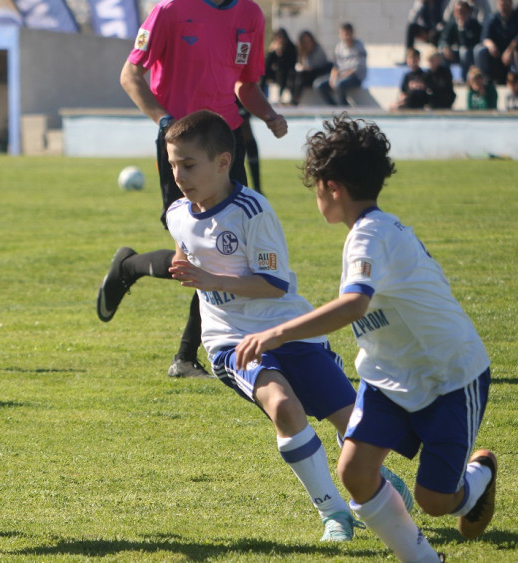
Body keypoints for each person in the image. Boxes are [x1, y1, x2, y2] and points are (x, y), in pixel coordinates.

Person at [234, 114, 498, 563]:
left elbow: (355, 304)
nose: (315, 195)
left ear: (331, 187)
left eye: (316, 186)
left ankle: (478, 477)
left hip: (448, 376)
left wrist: (276, 333)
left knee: (436, 501)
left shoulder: (370, 235)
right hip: (388, 376)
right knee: (355, 472)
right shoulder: (368, 231)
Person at [163, 109, 412, 543]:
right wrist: (185, 266)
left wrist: (211, 279)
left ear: (223, 161)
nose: (179, 174)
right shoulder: (177, 214)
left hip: (290, 329)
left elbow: (275, 285)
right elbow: (189, 254)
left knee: (356, 426)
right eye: (172, 165)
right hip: (230, 341)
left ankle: (375, 476)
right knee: (282, 406)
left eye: (189, 164)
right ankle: (335, 513)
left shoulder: (252, 210)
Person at [98, 0, 288, 379]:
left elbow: (245, 85)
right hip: (183, 145)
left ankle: (188, 355)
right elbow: (130, 75)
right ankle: (132, 270)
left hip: (226, 140)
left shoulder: (250, 14)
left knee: (229, 250)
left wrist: (268, 115)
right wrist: (166, 122)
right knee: (201, 251)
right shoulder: (170, 10)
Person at [475, 0, 518, 84]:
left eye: (506, 4)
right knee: (480, 50)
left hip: (514, 53)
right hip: (497, 53)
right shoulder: (492, 19)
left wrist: (510, 50)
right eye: (501, 4)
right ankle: (485, 82)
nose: (504, 7)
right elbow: (485, 38)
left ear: (511, 4)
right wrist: (491, 45)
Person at [314, 22, 368, 107]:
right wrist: (332, 78)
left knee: (339, 85)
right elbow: (335, 66)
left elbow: (355, 69)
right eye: (344, 34)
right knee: (319, 85)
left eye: (348, 34)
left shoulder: (359, 46)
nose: (346, 36)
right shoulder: (339, 47)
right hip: (340, 77)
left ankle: (344, 109)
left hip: (355, 77)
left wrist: (340, 78)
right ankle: (333, 107)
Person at [440, 0, 484, 80]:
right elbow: (444, 38)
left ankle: (465, 78)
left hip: (470, 52)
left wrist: (462, 29)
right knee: (442, 52)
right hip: (456, 52)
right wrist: (446, 47)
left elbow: (467, 42)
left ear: (468, 12)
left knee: (464, 51)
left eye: (462, 11)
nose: (460, 14)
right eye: (458, 11)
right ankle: (446, 79)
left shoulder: (474, 24)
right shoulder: (452, 24)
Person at [292, 30, 332, 105]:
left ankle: (295, 100)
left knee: (301, 77)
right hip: (308, 73)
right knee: (295, 76)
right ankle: (293, 98)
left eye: (308, 41)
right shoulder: (302, 52)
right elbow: (299, 64)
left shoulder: (318, 50)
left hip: (320, 72)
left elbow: (316, 66)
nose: (307, 44)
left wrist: (306, 68)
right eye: (305, 42)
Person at [263, 28, 298, 104]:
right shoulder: (274, 48)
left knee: (283, 72)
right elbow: (268, 63)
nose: (280, 39)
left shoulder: (291, 47)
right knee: (263, 73)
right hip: (276, 72)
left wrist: (281, 55)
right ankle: (262, 97)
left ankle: (284, 97)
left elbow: (291, 62)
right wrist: (273, 51)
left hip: (287, 71)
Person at [404, 0, 445, 64]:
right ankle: (408, 56)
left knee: (437, 33)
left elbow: (446, 19)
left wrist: (436, 29)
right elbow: (412, 19)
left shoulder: (443, 2)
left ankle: (439, 58)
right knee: (411, 27)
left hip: (439, 30)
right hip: (425, 29)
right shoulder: (421, 3)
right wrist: (420, 4)